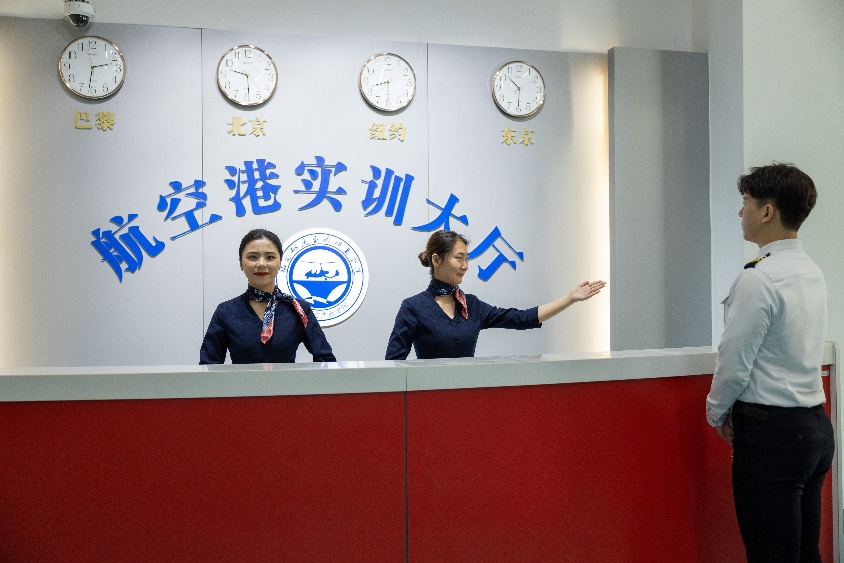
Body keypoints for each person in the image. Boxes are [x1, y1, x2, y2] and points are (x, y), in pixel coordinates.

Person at [705, 163, 833, 563]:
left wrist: (716, 413)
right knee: (804, 553)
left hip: (772, 437)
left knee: (771, 555)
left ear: (767, 211)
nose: (739, 211)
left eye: (745, 201)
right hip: (814, 426)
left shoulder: (758, 278)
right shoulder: (811, 271)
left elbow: (734, 362)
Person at [385, 230, 605, 360]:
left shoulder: (472, 305)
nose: (465, 266)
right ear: (436, 260)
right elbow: (393, 364)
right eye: (459, 258)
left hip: (469, 400)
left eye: (467, 259)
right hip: (428, 404)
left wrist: (570, 298)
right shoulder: (413, 307)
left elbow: (521, 318)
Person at [200, 229, 336, 364]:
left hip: (287, 380)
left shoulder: (299, 310)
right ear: (241, 263)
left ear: (280, 262)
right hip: (241, 380)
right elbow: (208, 366)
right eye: (253, 257)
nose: (261, 264)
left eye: (270, 257)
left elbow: (326, 359)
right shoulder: (226, 312)